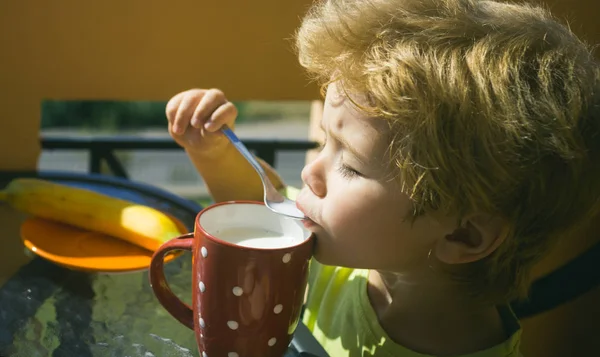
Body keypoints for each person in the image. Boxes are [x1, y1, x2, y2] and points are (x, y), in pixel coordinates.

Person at [165, 0, 600, 355]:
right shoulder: (358, 259)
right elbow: (262, 211)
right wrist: (214, 153)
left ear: (464, 236)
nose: (310, 171)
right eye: (322, 143)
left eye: (349, 166)